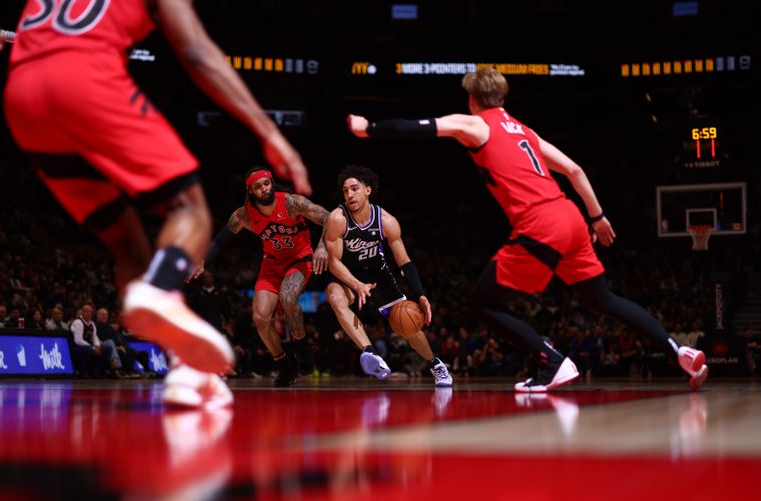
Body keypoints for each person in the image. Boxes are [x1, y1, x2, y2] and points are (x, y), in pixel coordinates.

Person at [0, 0, 312, 408]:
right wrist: (268, 131)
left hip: (24, 96)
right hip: (87, 83)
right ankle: (159, 289)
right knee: (190, 211)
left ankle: (185, 370)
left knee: (127, 243)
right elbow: (197, 54)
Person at [346, 67, 708, 392]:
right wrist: (597, 217)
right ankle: (677, 349)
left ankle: (552, 361)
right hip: (571, 217)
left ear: (473, 100)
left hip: (540, 224)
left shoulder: (477, 124)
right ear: (502, 96)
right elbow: (575, 170)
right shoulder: (524, 130)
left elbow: (420, 127)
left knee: (482, 302)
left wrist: (369, 129)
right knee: (602, 300)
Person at [190, 167, 329, 386]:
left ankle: (301, 347)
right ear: (250, 190)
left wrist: (322, 247)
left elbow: (328, 219)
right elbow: (220, 240)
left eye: (266, 183)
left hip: (299, 259)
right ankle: (284, 365)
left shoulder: (292, 203)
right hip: (272, 264)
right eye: (257, 186)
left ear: (272, 183)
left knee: (288, 296)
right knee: (260, 318)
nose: (264, 189)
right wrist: (203, 260)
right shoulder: (244, 215)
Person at [323, 165, 453, 387]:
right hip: (347, 274)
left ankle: (435, 364)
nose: (349, 195)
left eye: (354, 189)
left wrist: (420, 294)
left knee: (407, 323)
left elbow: (405, 262)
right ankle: (370, 352)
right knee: (334, 296)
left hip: (378, 274)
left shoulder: (386, 220)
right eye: (345, 191)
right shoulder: (338, 218)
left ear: (368, 190)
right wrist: (357, 284)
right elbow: (333, 261)